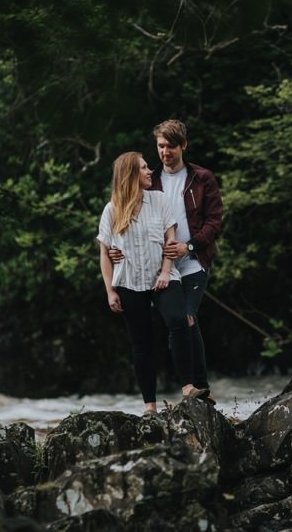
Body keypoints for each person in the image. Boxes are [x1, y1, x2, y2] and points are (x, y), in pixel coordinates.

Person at [110, 119, 223, 404]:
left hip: (193, 260)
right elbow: (129, 218)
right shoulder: (151, 179)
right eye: (160, 146)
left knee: (186, 317)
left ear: (182, 146)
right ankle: (186, 390)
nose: (164, 152)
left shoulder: (202, 178)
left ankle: (199, 388)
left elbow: (214, 221)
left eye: (170, 146)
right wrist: (116, 250)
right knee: (173, 323)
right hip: (159, 265)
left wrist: (190, 245)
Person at [97, 151, 210, 415]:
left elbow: (171, 240)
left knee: (179, 320)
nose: (150, 171)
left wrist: (165, 271)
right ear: (130, 175)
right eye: (144, 168)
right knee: (141, 342)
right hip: (129, 281)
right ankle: (150, 406)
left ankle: (187, 387)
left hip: (163, 277)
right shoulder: (112, 209)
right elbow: (104, 252)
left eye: (149, 167)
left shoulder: (158, 200)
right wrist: (110, 291)